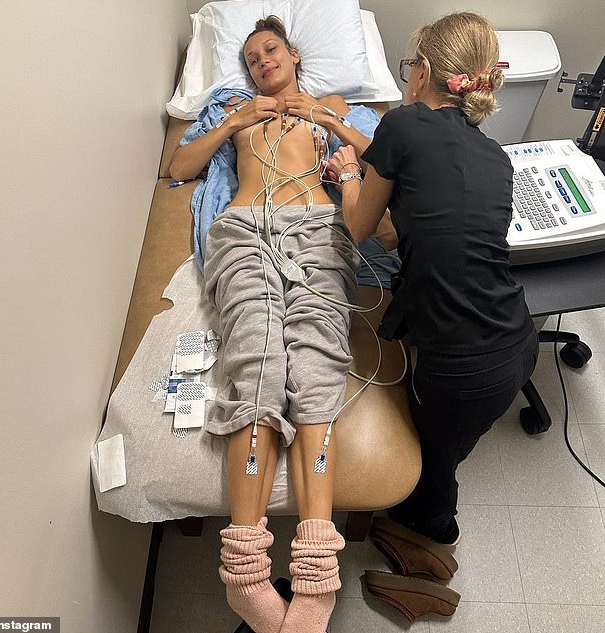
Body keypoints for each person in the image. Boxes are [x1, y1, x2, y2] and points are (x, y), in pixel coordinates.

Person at [170, 16, 381, 633]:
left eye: (271, 50)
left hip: (318, 233)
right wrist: (234, 123)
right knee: (257, 380)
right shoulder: (233, 109)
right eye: (252, 56)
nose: (262, 61)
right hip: (245, 233)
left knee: (316, 383)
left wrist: (325, 120)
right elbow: (180, 166)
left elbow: (385, 162)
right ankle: (245, 574)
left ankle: (316, 573)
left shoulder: (333, 105)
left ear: (293, 54)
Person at [327, 11, 539, 547]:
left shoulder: (400, 125)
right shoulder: (495, 157)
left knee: (432, 467)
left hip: (463, 371)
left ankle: (431, 535)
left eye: (407, 68)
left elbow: (357, 227)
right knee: (452, 443)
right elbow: (402, 237)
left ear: (422, 71)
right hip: (518, 339)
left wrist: (350, 175)